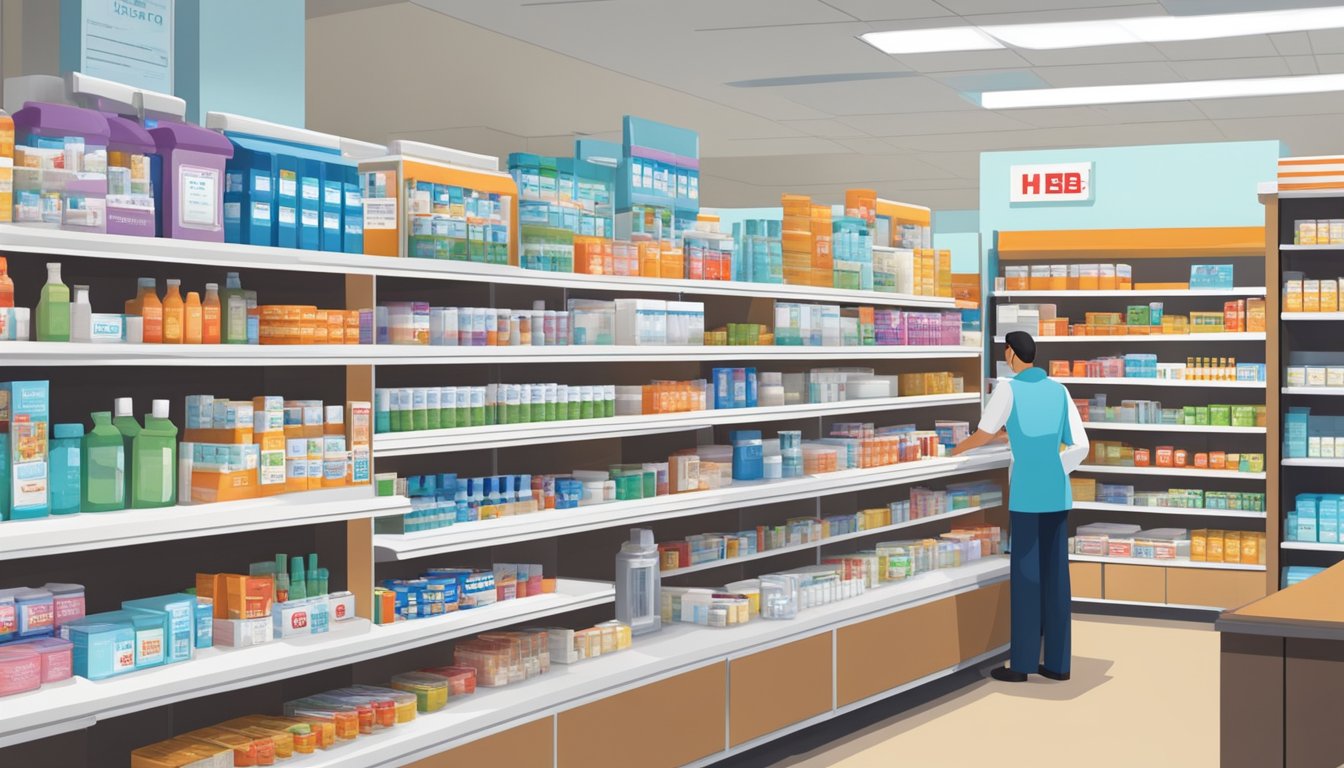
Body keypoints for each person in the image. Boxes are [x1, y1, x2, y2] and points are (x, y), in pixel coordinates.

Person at [951, 330, 1088, 683]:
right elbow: (1080, 445)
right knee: (1057, 579)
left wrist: (955, 451)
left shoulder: (1008, 389)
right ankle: (1058, 664)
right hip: (1058, 495)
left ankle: (1023, 664)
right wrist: (1052, 466)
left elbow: (983, 432)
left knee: (1027, 579)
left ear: (1010, 354)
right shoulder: (1060, 391)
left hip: (1027, 496)